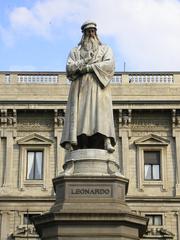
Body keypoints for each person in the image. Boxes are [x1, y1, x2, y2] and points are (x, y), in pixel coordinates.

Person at [60, 20, 116, 153]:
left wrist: (89, 67)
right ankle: (81, 143)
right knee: (82, 118)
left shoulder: (105, 49)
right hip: (81, 89)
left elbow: (110, 65)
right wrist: (85, 60)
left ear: (96, 33)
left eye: (93, 31)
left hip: (99, 88)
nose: (91, 34)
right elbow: (69, 68)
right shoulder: (75, 51)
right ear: (83, 34)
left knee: (101, 115)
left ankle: (106, 140)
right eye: (88, 31)